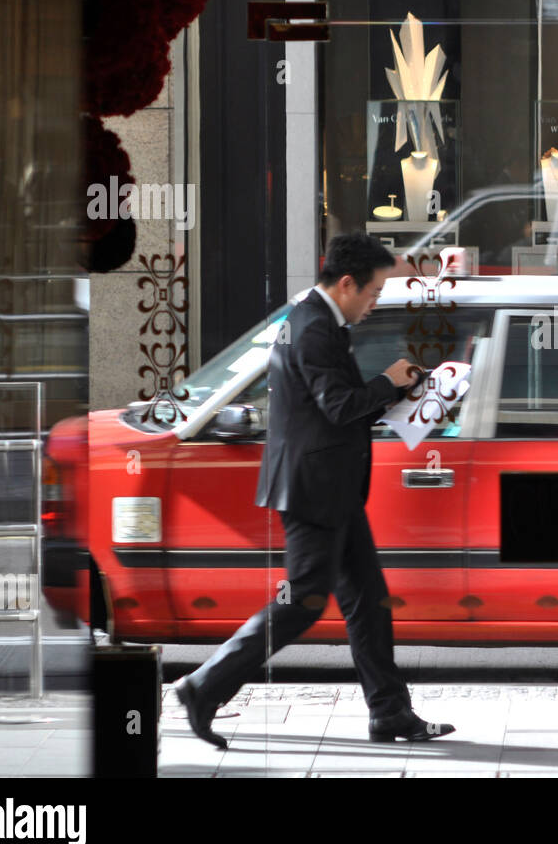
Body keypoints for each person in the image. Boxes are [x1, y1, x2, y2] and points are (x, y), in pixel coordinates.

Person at [174, 232, 456, 747]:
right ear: (346, 284)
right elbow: (340, 407)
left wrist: (409, 388)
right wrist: (391, 382)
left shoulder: (316, 317)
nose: (374, 304)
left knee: (369, 603)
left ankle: (390, 713)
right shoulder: (313, 327)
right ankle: (204, 685)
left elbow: (336, 406)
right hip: (314, 492)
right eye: (372, 293)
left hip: (334, 489)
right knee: (302, 602)